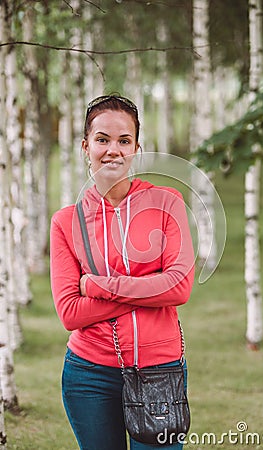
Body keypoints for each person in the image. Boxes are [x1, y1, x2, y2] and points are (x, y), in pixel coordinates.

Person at [50, 94, 195, 450]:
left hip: (159, 370)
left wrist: (98, 286)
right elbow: (70, 313)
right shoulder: (66, 222)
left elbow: (179, 288)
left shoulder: (166, 202)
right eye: (102, 139)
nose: (113, 150)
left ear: (136, 148)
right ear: (86, 146)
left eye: (123, 140)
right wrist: (149, 290)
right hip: (88, 375)